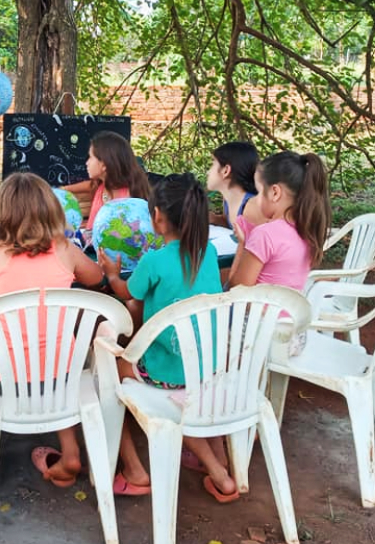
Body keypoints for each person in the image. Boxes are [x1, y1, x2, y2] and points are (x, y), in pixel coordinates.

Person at [0, 172, 104, 488]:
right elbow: (96, 278)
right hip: (62, 375)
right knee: (53, 364)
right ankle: (71, 450)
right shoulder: (65, 249)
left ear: (2, 214)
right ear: (51, 209)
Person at [99, 173, 234, 502]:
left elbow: (127, 293)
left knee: (108, 367)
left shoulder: (153, 261)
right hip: (208, 365)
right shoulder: (210, 254)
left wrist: (113, 274)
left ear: (157, 216)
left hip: (169, 374)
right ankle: (219, 465)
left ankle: (133, 468)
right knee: (173, 382)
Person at [228, 151, 332, 355]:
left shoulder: (264, 235)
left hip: (262, 336)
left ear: (275, 192)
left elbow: (237, 290)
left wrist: (243, 244)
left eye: (259, 192)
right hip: (294, 335)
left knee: (212, 320)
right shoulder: (309, 230)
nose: (257, 200)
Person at [62, 131, 151, 230]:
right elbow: (89, 185)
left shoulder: (128, 199)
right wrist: (63, 189)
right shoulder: (102, 186)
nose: (87, 163)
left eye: (90, 157)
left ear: (104, 164)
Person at [206, 141, 264, 231]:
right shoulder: (227, 199)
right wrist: (214, 218)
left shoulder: (252, 208)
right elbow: (230, 224)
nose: (208, 172)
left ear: (225, 171)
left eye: (212, 164)